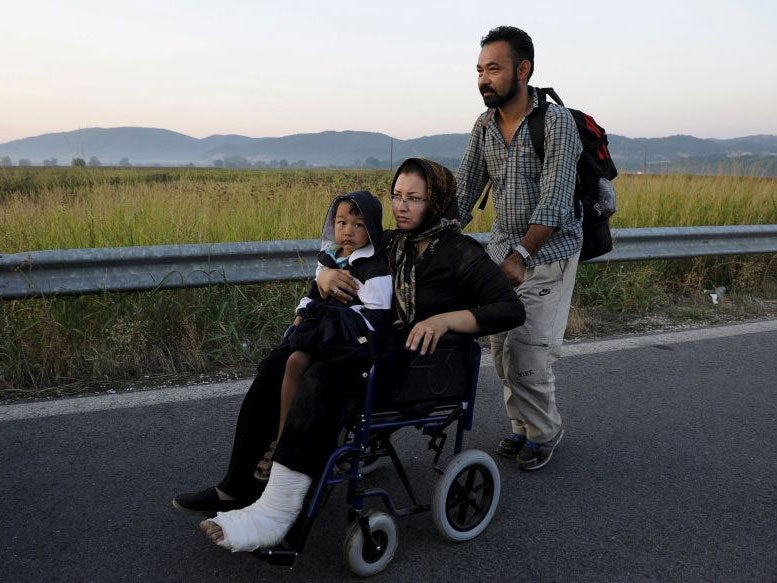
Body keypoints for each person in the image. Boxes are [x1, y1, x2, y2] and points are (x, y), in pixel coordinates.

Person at [185, 158, 525, 553]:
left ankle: (278, 512)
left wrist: (446, 320)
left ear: (437, 201)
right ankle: (239, 485)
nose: (401, 206)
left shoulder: (460, 252)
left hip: (417, 362)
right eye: (397, 196)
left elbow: (509, 309)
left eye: (414, 198)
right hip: (373, 343)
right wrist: (324, 278)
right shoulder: (390, 242)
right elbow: (344, 256)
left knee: (322, 379)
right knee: (277, 364)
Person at [456, 26, 583, 470]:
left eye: (493, 68)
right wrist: (428, 236)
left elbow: (555, 202)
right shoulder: (485, 125)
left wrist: (521, 256)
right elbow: (463, 193)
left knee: (528, 348)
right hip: (501, 253)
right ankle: (521, 426)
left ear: (523, 69)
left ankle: (545, 431)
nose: (483, 79)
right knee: (500, 346)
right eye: (479, 70)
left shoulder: (556, 123)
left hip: (548, 254)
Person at [253, 191, 392, 481]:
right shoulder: (330, 259)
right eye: (341, 223)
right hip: (323, 334)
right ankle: (281, 439)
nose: (348, 232)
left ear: (372, 229)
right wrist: (303, 313)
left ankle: (300, 453)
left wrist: (332, 316)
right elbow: (312, 294)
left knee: (314, 374)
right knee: (291, 362)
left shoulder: (374, 267)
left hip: (350, 343)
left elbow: (375, 317)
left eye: (358, 225)